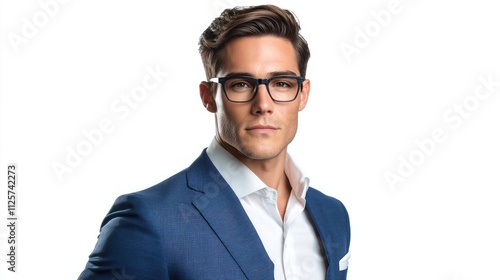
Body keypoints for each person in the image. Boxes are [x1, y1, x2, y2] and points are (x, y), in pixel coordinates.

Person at [78, 4, 350, 280]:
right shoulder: (150, 221)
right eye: (241, 84)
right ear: (209, 96)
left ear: (302, 94)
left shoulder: (333, 215)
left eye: (281, 83)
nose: (263, 104)